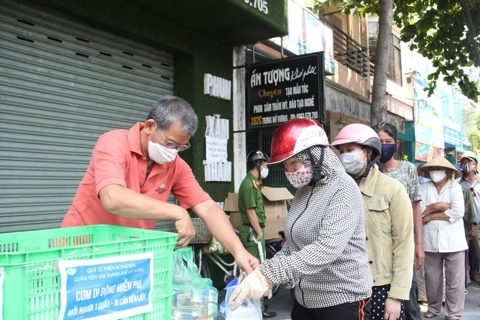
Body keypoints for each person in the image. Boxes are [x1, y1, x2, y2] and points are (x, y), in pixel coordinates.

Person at [62, 95, 258, 274]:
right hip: (81, 251)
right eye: (170, 143)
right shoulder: (113, 143)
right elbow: (112, 197)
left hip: (128, 257)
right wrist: (177, 212)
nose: (174, 152)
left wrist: (238, 251)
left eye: (181, 147)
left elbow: (207, 207)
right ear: (149, 126)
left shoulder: (175, 166)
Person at [229, 118, 373, 320]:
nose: (289, 171)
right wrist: (264, 271)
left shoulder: (343, 189)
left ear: (315, 156)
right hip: (304, 301)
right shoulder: (302, 193)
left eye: (294, 163)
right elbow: (292, 245)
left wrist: (270, 275)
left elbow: (326, 248)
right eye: (285, 165)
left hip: (342, 300)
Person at [330, 123, 414, 320]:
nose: (345, 156)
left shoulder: (393, 190)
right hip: (345, 287)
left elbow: (403, 245)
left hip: (380, 288)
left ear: (368, 152)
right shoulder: (337, 190)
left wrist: (396, 296)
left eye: (350, 150)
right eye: (341, 151)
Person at [372, 122, 424, 320]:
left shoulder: (408, 169)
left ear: (397, 143)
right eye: (379, 141)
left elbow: (415, 207)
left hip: (403, 245)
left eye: (388, 141)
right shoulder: (368, 172)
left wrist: (419, 244)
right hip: (377, 249)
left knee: (409, 299)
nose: (384, 145)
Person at [417, 156, 468, 319]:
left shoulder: (455, 188)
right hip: (430, 241)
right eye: (432, 169)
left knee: (455, 282)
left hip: (454, 242)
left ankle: (454, 313)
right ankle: (434, 308)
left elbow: (457, 212)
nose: (435, 172)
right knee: (432, 279)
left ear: (447, 172)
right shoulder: (423, 188)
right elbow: (420, 212)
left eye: (438, 169)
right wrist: (435, 207)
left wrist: (431, 216)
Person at [238, 150, 276, 318]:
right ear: (258, 165)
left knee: (259, 267)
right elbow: (250, 212)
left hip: (256, 230)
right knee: (255, 270)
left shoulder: (254, 183)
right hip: (253, 232)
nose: (267, 167)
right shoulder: (248, 184)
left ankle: (258, 306)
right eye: (265, 164)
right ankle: (257, 308)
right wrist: (259, 232)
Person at [458, 151, 480, 283]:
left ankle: (476, 272)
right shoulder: (459, 183)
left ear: (476, 165)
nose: (467, 165)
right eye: (464, 162)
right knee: (465, 251)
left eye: (470, 162)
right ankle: (467, 275)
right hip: (464, 223)